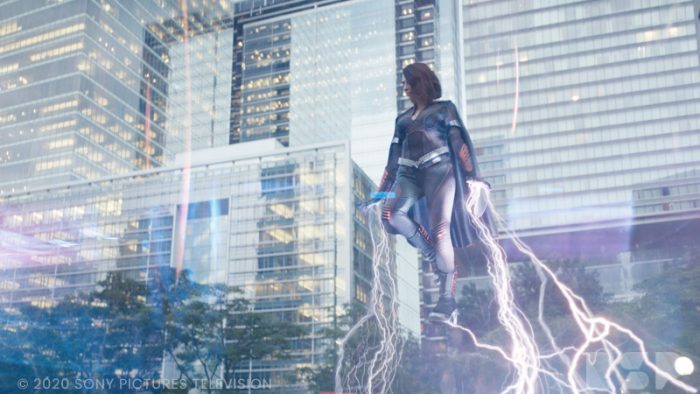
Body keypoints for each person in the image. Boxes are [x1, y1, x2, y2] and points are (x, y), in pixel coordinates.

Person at [374, 62, 489, 322]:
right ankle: (431, 254)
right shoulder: (402, 120)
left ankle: (447, 300)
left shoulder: (444, 109)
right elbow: (393, 158)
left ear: (421, 84)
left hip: (441, 169)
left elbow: (459, 143)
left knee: (441, 230)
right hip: (409, 173)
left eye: (409, 83)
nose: (404, 88)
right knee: (390, 214)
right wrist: (380, 193)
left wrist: (472, 176)